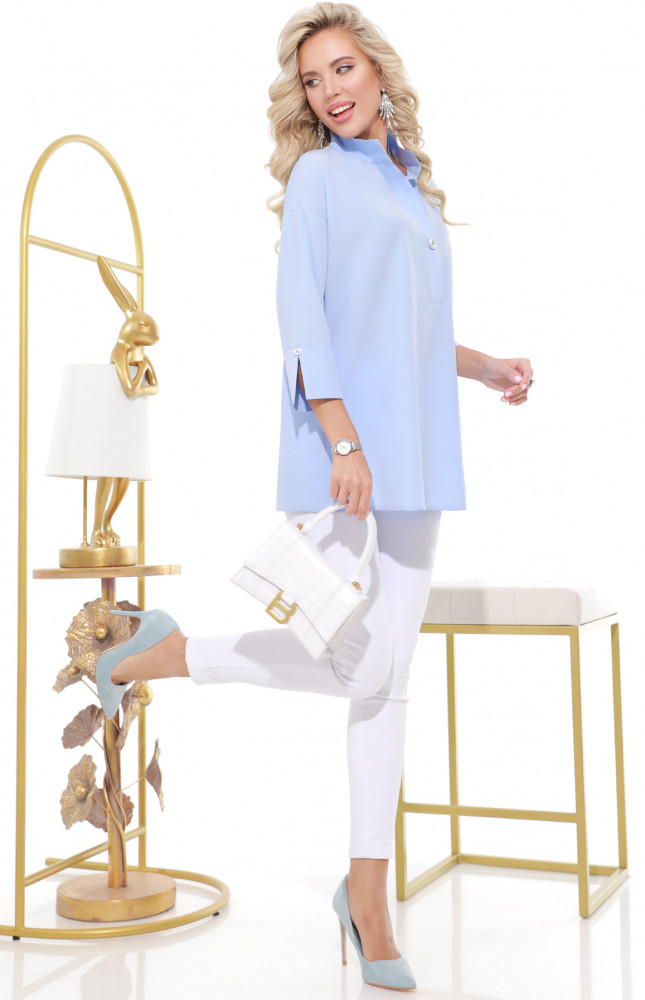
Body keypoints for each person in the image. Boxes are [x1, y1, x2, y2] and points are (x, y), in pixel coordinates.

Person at [96, 3, 533, 991]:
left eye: (342, 68)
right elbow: (304, 319)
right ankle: (168, 653)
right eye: (312, 79)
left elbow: (409, 331)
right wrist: (342, 436)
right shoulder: (317, 179)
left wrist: (486, 366)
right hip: (350, 452)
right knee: (361, 665)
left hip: (418, 451)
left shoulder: (407, 181)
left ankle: (365, 894)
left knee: (387, 675)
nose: (330, 90)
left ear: (377, 70)